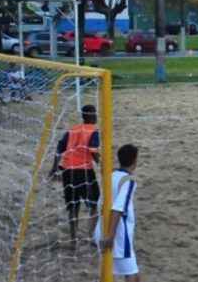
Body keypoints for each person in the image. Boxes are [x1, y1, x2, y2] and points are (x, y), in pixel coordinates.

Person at [49, 105, 101, 244]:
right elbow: (93, 151)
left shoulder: (72, 130)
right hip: (84, 171)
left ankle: (73, 239)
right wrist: (102, 163)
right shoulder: (93, 131)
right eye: (94, 113)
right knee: (94, 204)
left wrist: (54, 167)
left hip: (67, 170)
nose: (96, 116)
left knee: (73, 206)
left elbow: (59, 147)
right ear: (90, 115)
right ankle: (92, 236)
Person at [96, 144, 141, 282]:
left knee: (109, 273)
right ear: (135, 161)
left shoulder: (111, 176)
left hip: (102, 228)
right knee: (132, 275)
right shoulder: (129, 181)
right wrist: (111, 236)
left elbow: (100, 204)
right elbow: (118, 209)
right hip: (118, 234)